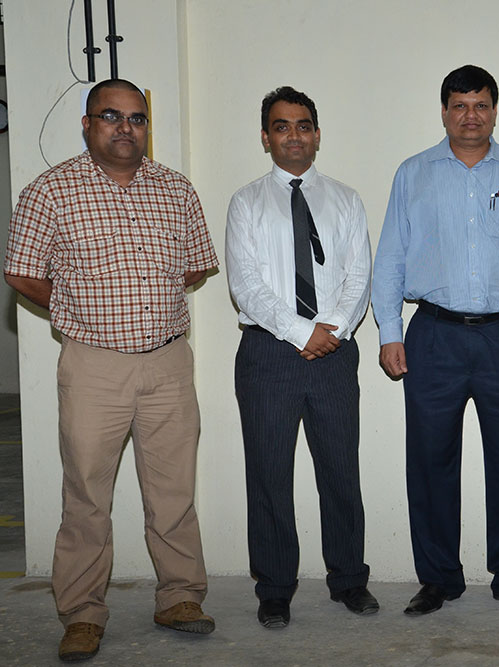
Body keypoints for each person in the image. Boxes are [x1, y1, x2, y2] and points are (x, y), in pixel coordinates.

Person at [3, 78, 218, 662]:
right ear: (87, 124)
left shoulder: (176, 188)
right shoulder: (50, 190)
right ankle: (81, 613)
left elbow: (196, 266)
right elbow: (21, 272)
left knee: (174, 491)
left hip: (168, 364)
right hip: (93, 367)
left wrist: (147, 304)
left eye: (137, 118)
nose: (126, 128)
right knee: (86, 497)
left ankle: (180, 597)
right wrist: (80, 308)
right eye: (111, 116)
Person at [372, 64, 499, 616]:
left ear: (494, 111)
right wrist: (389, 332)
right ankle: (438, 578)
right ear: (444, 112)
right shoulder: (413, 174)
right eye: (459, 106)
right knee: (430, 461)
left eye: (480, 105)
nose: (470, 116)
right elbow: (389, 259)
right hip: (433, 335)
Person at [225, 87, 377, 628]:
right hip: (268, 354)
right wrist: (299, 332)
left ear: (317, 134)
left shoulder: (346, 199)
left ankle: (349, 579)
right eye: (282, 126)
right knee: (269, 474)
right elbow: (245, 285)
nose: (294, 135)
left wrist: (329, 330)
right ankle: (274, 588)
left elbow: (360, 275)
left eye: (304, 125)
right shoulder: (246, 202)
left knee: (341, 471)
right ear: (266, 137)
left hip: (334, 353)